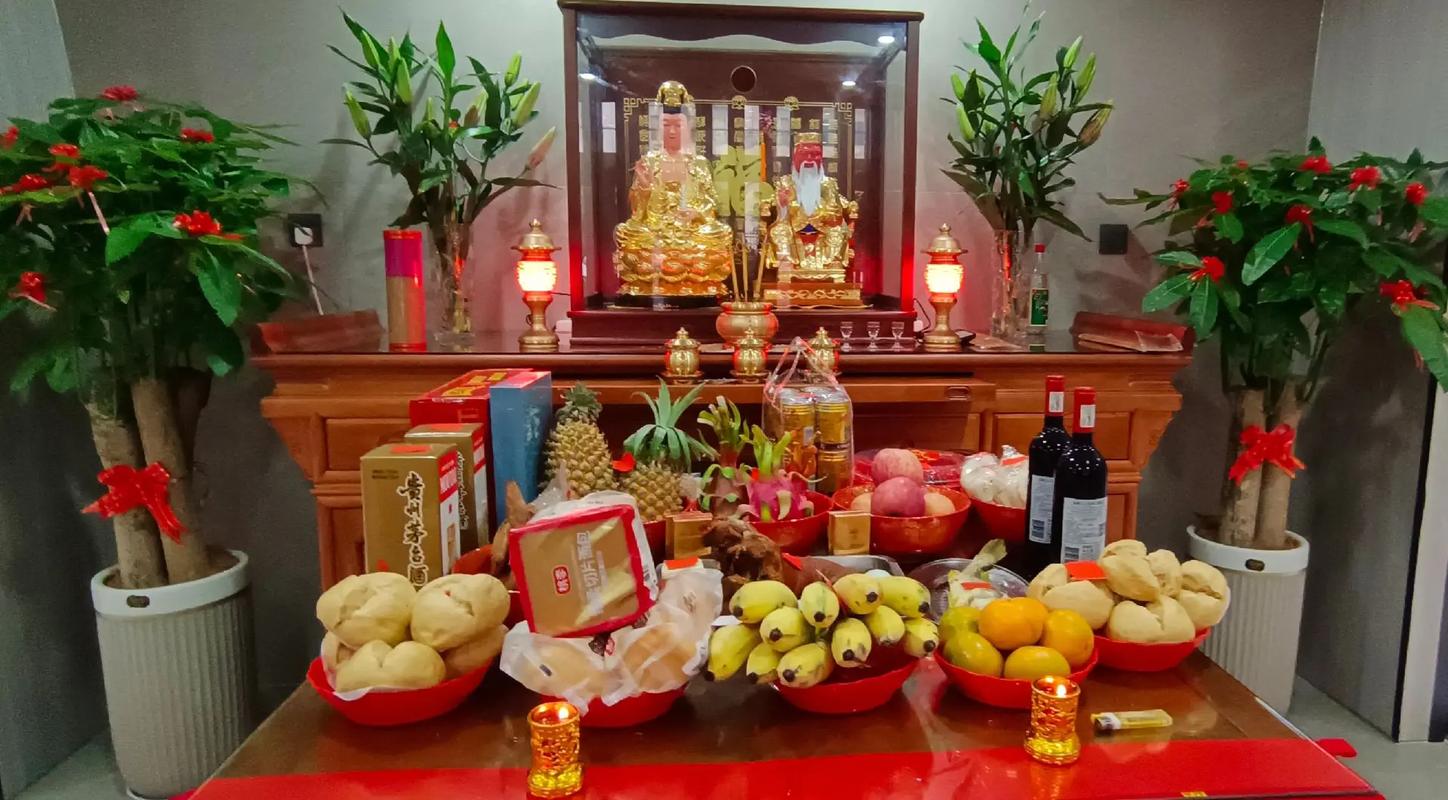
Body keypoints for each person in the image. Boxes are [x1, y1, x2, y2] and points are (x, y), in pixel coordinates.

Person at [614, 80, 733, 299]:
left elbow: (711, 202)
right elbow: (637, 214)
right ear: (658, 128)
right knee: (626, 233)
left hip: (691, 234)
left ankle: (671, 270)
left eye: (677, 125)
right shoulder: (649, 162)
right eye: (666, 125)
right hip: (656, 233)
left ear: (687, 128)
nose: (671, 131)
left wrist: (697, 214)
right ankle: (683, 271)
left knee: (722, 233)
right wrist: (644, 187)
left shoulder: (698, 163)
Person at [763, 132, 858, 283]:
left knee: (838, 231)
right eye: (804, 155)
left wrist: (826, 213)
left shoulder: (828, 184)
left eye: (814, 155)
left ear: (821, 158)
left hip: (822, 225)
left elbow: (835, 212)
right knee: (779, 231)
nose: (809, 159)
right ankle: (787, 264)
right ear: (795, 158)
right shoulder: (785, 182)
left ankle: (833, 266)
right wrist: (783, 204)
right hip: (793, 225)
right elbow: (781, 213)